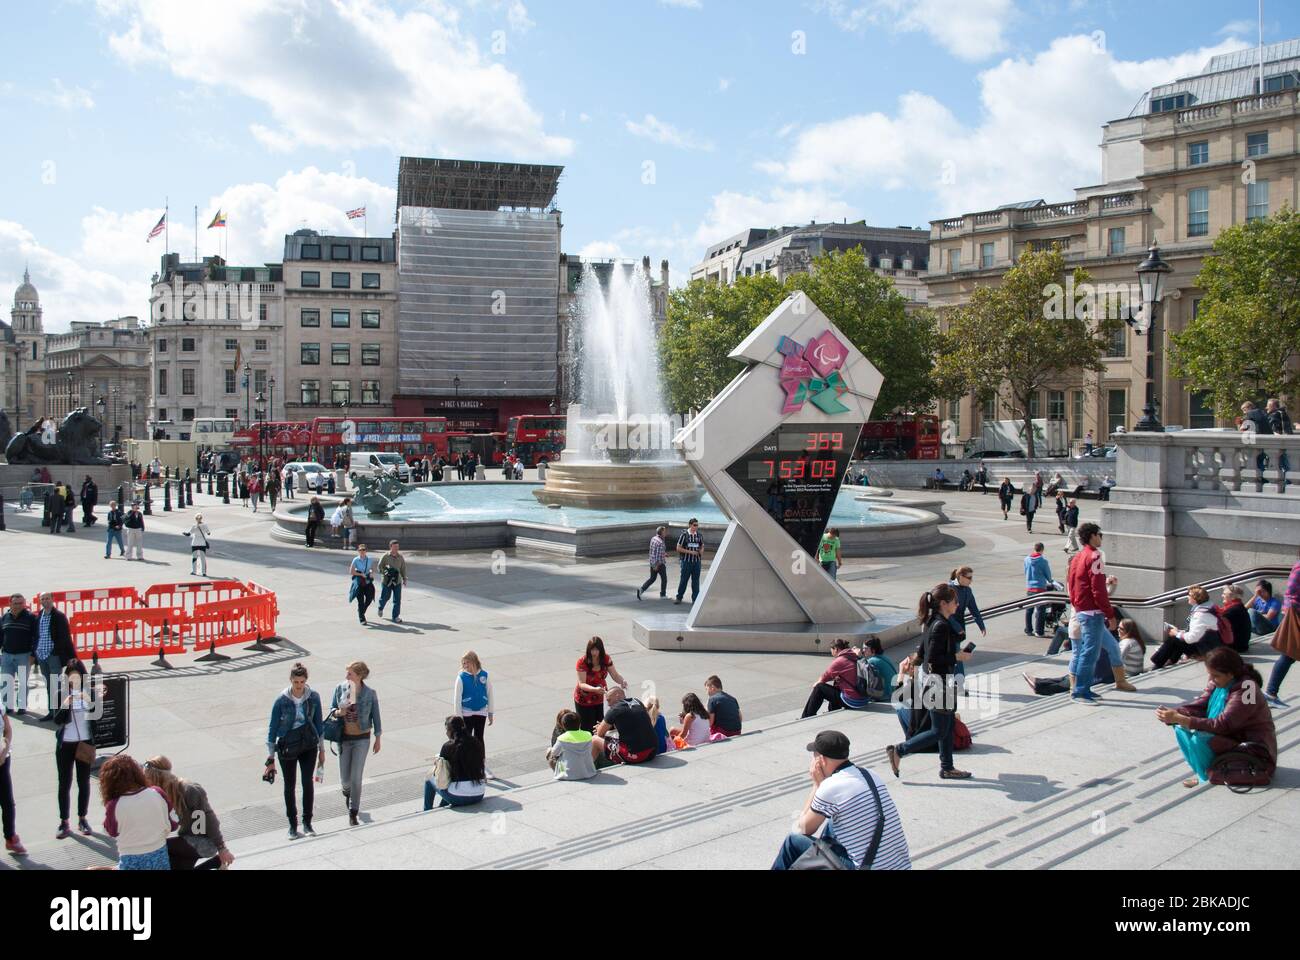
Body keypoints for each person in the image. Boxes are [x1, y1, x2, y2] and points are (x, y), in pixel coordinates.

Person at [772, 730, 911, 870]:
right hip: (900, 866)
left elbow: (803, 828)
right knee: (833, 822)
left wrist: (817, 786)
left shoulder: (831, 787)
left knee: (793, 840)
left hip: (863, 867)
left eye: (814, 757)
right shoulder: (870, 774)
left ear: (821, 760)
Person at [1157, 647, 1277, 788]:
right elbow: (1200, 705)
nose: (1212, 680)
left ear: (1231, 674)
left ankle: (1209, 775)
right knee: (1180, 729)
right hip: (1230, 736)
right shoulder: (1219, 681)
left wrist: (1182, 719)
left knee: (1199, 738)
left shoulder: (1247, 688)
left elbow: (1223, 724)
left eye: (1216, 676)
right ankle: (1205, 773)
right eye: (1210, 675)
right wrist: (1175, 714)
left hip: (1250, 747)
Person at [886, 584, 972, 780]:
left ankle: (947, 767)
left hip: (938, 681)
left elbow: (923, 654)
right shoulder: (940, 625)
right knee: (938, 730)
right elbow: (933, 659)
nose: (958, 604)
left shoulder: (934, 621)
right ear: (943, 603)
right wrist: (958, 657)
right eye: (954, 601)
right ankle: (899, 750)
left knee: (948, 726)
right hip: (938, 683)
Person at [265, 662, 325, 839]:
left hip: (308, 744)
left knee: (308, 782)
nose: (299, 686)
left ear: (306, 681)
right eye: (296, 682)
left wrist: (322, 749)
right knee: (289, 786)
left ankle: (308, 823)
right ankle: (292, 824)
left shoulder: (313, 697)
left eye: (302, 682)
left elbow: (319, 723)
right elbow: (272, 728)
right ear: (290, 680)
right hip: (287, 746)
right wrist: (270, 757)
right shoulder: (281, 700)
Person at [142, 756, 233, 870]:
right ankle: (215, 863)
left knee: (157, 847)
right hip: (186, 840)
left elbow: (209, 820)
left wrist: (222, 848)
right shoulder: (159, 794)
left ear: (157, 778)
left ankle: (217, 860)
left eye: (147, 778)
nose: (145, 783)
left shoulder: (189, 791)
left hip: (203, 842)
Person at [1066, 522, 1116, 702]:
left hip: (1082, 609)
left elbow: (1071, 582)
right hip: (1092, 612)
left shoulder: (1079, 556)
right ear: (1093, 536)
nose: (1101, 538)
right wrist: (1110, 614)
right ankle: (1080, 691)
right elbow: (1099, 590)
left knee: (1087, 651)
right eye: (1100, 534)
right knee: (1090, 653)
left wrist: (1076, 603)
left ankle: (1084, 687)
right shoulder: (1095, 557)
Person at [100, 755, 178, 870]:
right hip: (158, 853)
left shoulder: (114, 805)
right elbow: (174, 823)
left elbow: (110, 832)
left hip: (130, 858)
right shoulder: (157, 793)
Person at [330, 661, 382, 827]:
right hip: (344, 738)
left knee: (356, 776)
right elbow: (332, 711)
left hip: (362, 738)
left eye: (350, 674)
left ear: (359, 676)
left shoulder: (370, 693)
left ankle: (354, 811)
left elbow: (376, 717)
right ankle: (347, 792)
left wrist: (377, 738)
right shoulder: (341, 688)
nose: (347, 677)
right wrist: (340, 712)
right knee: (345, 779)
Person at [54, 658, 95, 839]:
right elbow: (56, 720)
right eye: (71, 677)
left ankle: (83, 818)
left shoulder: (89, 693)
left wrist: (89, 700)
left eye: (77, 677)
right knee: (64, 783)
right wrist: (66, 704)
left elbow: (97, 716)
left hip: (84, 743)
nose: (74, 681)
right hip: (66, 744)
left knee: (83, 782)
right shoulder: (61, 693)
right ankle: (64, 821)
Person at [1150, 586, 1222, 669]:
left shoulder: (1200, 614)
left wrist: (1177, 633)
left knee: (1174, 639)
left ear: (1195, 599)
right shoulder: (1208, 607)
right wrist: (1180, 633)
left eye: (1189, 595)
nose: (1187, 596)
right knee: (1178, 638)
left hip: (1206, 649)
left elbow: (1191, 638)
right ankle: (1170, 660)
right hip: (1210, 644)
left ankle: (1157, 664)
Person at [425, 716, 487, 809]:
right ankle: (442, 806)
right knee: (452, 783)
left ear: (451, 730)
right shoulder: (476, 743)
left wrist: (437, 762)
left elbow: (442, 773)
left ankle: (427, 810)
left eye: (447, 730)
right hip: (479, 794)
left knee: (429, 778)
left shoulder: (448, 746)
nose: (446, 733)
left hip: (458, 797)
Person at [34, 593, 76, 724]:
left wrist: (72, 656)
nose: (45, 601)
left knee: (55, 685)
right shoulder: (39, 615)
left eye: (47, 598)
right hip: (41, 655)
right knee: (49, 685)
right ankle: (51, 712)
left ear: (52, 600)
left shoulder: (59, 616)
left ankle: (59, 713)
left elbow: (65, 637)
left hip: (53, 655)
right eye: (43, 599)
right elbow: (37, 635)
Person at [592, 686, 657, 765]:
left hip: (636, 757)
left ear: (617, 695)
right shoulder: (637, 701)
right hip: (652, 752)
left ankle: (587, 769)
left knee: (595, 739)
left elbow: (599, 733)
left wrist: (601, 727)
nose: (608, 704)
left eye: (609, 700)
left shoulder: (615, 709)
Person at [573, 637, 627, 731]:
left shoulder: (606, 659)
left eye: (596, 649)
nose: (594, 653)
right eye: (592, 649)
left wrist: (622, 681)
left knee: (603, 726)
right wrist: (594, 689)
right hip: (585, 699)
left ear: (601, 649)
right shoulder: (582, 662)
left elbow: (614, 675)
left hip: (602, 697)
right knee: (588, 728)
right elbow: (582, 684)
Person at [1, 594, 36, 716]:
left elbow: (35, 637)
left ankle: (22, 707)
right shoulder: (5, 617)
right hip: (6, 656)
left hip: (23, 656)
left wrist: (33, 655)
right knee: (6, 682)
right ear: (10, 604)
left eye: (21, 603)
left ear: (24, 603)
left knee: (22, 682)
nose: (18, 606)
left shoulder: (31, 618)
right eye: (15, 603)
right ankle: (7, 706)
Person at [453, 651, 494, 742]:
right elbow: (457, 700)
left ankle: (480, 756)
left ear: (474, 662)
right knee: (466, 739)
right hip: (466, 712)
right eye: (464, 663)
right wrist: (459, 718)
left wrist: (490, 713)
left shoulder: (484, 675)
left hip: (481, 711)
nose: (465, 665)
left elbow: (490, 693)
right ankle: (467, 756)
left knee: (479, 737)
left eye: (468, 662)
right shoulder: (461, 677)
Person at [546, 711, 598, 780]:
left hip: (569, 775)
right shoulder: (588, 734)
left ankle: (557, 772)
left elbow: (554, 753)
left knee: (549, 751)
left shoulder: (561, 738)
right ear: (579, 724)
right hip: (589, 772)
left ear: (563, 726)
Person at [1, 713, 26, 855]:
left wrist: (4, 752)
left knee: (8, 802)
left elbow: (8, 730)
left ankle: (10, 838)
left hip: (2, 759)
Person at [1023, 544, 1053, 637]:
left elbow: (1025, 571)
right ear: (1042, 550)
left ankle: (1028, 629)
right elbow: (1047, 574)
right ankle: (1039, 631)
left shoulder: (1026, 559)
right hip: (1040, 587)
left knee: (1029, 610)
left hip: (1030, 587)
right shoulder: (1043, 561)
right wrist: (1050, 580)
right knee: (1041, 611)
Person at [674, 518, 705, 605]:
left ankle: (695, 600)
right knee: (684, 580)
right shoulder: (684, 535)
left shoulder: (699, 535)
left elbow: (702, 545)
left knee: (696, 581)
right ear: (690, 525)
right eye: (695, 525)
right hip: (686, 562)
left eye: (697, 525)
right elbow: (678, 548)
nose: (696, 527)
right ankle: (679, 597)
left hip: (697, 562)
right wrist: (690, 552)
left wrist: (701, 550)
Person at [376, 539, 407, 623]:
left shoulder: (400, 557)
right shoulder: (385, 556)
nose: (397, 548)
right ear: (390, 547)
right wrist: (386, 572)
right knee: (385, 597)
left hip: (397, 581)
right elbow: (379, 567)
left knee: (397, 600)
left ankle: (395, 616)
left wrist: (404, 578)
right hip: (387, 581)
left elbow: (403, 568)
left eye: (398, 547)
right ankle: (380, 608)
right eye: (395, 547)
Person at [636, 526, 668, 601]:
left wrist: (663, 554)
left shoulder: (653, 538)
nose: (666, 532)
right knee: (664, 579)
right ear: (662, 532)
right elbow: (657, 555)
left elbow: (653, 551)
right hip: (659, 564)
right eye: (665, 531)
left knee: (652, 578)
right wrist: (656, 565)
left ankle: (641, 590)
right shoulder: (661, 542)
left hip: (652, 562)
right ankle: (663, 595)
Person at [1217, 585, 1252, 654]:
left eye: (1224, 594)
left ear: (1232, 597)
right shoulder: (1239, 606)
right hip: (1242, 645)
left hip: (1236, 647)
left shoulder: (1232, 611)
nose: (1222, 595)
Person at [348, 544, 376, 625]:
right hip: (359, 581)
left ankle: (361, 611)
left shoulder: (369, 559)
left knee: (369, 598)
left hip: (367, 581)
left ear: (366, 551)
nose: (362, 551)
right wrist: (360, 574)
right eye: (360, 550)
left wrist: (371, 572)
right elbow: (351, 572)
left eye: (363, 550)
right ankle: (362, 618)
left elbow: (372, 569)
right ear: (358, 551)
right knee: (360, 600)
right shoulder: (356, 560)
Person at [183, 513, 212, 577]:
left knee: (194, 558)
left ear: (195, 519)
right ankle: (204, 572)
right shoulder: (205, 525)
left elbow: (188, 534)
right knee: (203, 558)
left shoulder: (194, 526)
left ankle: (194, 571)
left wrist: (184, 533)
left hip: (195, 543)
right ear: (201, 518)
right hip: (202, 543)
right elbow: (209, 533)